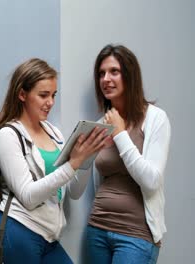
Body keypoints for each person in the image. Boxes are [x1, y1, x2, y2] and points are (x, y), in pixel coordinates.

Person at [0, 58, 109, 264]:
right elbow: (28, 196)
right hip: (19, 230)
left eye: (53, 95)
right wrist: (73, 163)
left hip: (48, 236)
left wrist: (87, 157)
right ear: (22, 94)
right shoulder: (8, 135)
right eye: (43, 95)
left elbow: (74, 191)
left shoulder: (54, 133)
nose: (50, 102)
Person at [70, 44, 171, 264]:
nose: (106, 79)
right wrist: (81, 158)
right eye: (101, 73)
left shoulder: (156, 118)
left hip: (136, 235)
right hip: (97, 230)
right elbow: (74, 192)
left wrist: (121, 134)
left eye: (114, 71)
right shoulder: (98, 126)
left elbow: (152, 181)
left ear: (130, 75)